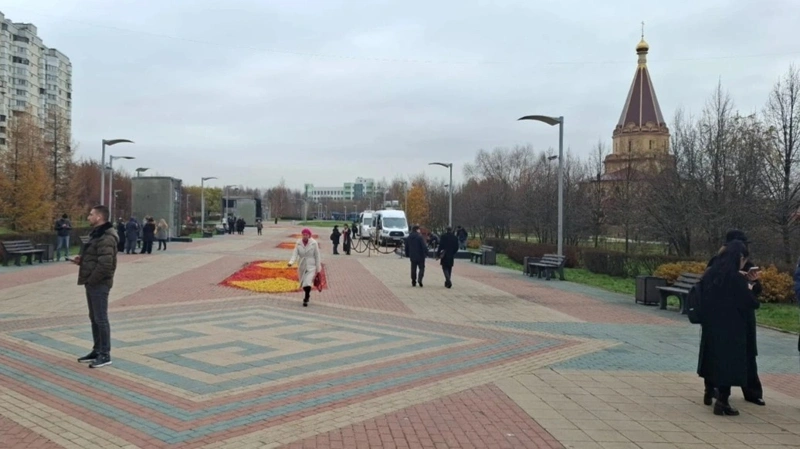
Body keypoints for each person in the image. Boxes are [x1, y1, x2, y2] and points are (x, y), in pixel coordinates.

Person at [698, 240, 760, 416]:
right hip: (732, 328)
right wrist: (750, 286)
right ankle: (723, 401)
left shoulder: (712, 274)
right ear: (740, 257)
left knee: (713, 359)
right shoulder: (735, 278)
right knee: (729, 363)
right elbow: (751, 303)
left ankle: (709, 390)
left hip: (711, 325)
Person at [72, 205, 118, 369]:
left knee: (101, 318)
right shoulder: (97, 234)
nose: (88, 217)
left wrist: (92, 280)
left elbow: (105, 264)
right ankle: (97, 350)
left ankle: (105, 354)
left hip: (99, 283)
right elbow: (95, 257)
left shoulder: (106, 237)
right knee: (94, 318)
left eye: (91, 214)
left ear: (99, 217)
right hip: (92, 282)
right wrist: (81, 260)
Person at [288, 228, 322, 307]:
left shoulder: (314, 243)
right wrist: (291, 262)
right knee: (303, 283)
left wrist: (318, 268)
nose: (305, 236)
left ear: (309, 235)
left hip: (311, 265)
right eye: (303, 234)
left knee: (308, 282)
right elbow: (295, 253)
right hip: (302, 264)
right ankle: (307, 294)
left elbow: (317, 256)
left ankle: (306, 297)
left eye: (306, 235)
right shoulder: (299, 243)